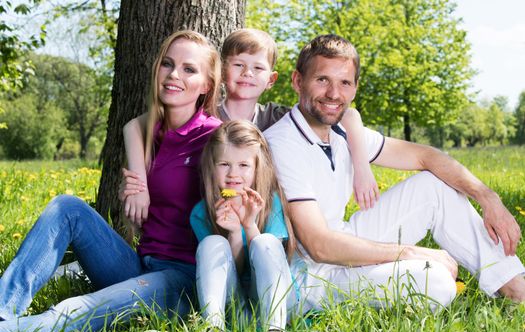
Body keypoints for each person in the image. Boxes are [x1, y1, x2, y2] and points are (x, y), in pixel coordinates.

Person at [263, 34, 525, 313]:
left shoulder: (341, 132)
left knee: (432, 187)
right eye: (322, 80)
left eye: (345, 83)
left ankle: (515, 288)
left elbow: (427, 156)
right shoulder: (282, 144)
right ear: (297, 81)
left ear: (354, 89)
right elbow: (319, 246)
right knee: (434, 281)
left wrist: (488, 198)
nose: (334, 94)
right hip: (313, 278)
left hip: (344, 238)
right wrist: (411, 253)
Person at [0, 30, 222, 332]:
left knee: (80, 306)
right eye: (168, 64)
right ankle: (2, 310)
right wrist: (136, 189)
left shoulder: (215, 138)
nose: (174, 74)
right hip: (139, 265)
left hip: (182, 280)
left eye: (189, 69)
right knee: (67, 207)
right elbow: (139, 215)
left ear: (207, 85)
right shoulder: (150, 132)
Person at [122, 28, 379, 228]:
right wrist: (139, 183)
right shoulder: (207, 118)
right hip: (209, 219)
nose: (247, 73)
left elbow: (347, 114)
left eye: (258, 68)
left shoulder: (277, 118)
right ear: (221, 71)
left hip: (263, 220)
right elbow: (137, 124)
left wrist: (362, 167)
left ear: (271, 79)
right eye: (238, 65)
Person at [189, 120, 297, 332]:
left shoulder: (271, 204)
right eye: (224, 164)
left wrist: (249, 225)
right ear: (212, 166)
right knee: (212, 243)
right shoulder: (201, 213)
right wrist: (235, 233)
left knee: (265, 241)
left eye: (243, 165)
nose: (233, 174)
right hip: (236, 309)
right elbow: (233, 273)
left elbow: (269, 262)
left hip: (275, 304)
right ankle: (213, 331)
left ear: (258, 168)